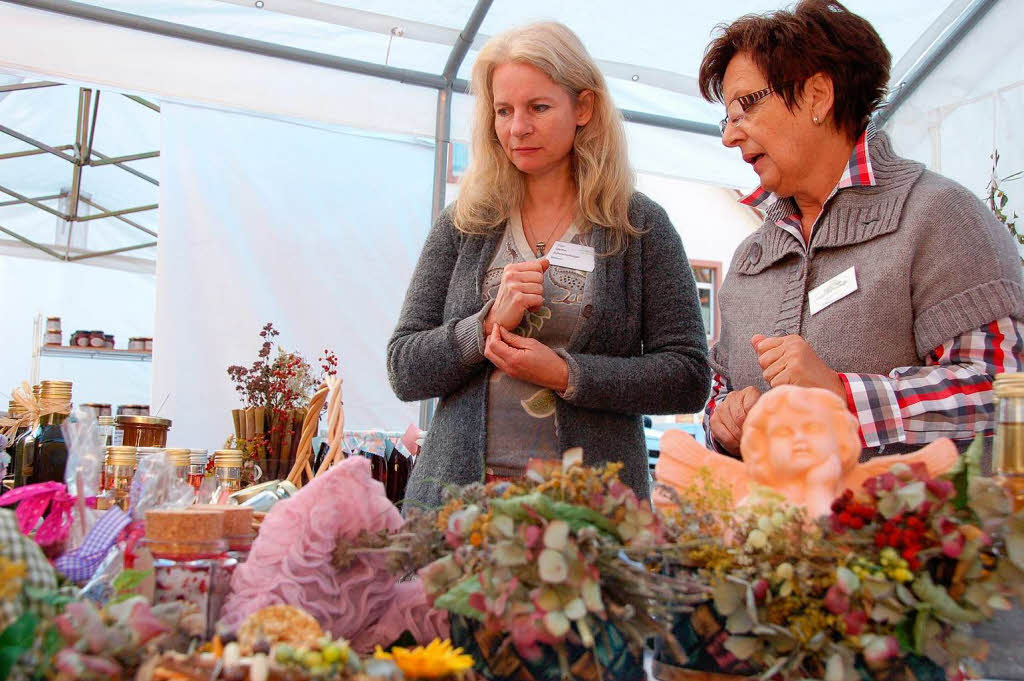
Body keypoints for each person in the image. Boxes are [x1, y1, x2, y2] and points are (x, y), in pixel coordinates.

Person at [388, 22, 711, 509]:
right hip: (457, 512)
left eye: (538, 107)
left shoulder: (638, 225)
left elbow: (687, 376)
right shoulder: (464, 223)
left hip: (589, 517)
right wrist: (483, 327)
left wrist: (566, 374)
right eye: (503, 111)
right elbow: (404, 369)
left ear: (583, 107)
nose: (517, 128)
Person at [697, 0, 1024, 460]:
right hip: (771, 529)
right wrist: (724, 417)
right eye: (727, 118)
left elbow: (999, 392)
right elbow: (719, 385)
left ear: (817, 96)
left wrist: (841, 395)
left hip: (898, 530)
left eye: (744, 108)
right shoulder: (752, 255)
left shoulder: (940, 216)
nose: (730, 136)